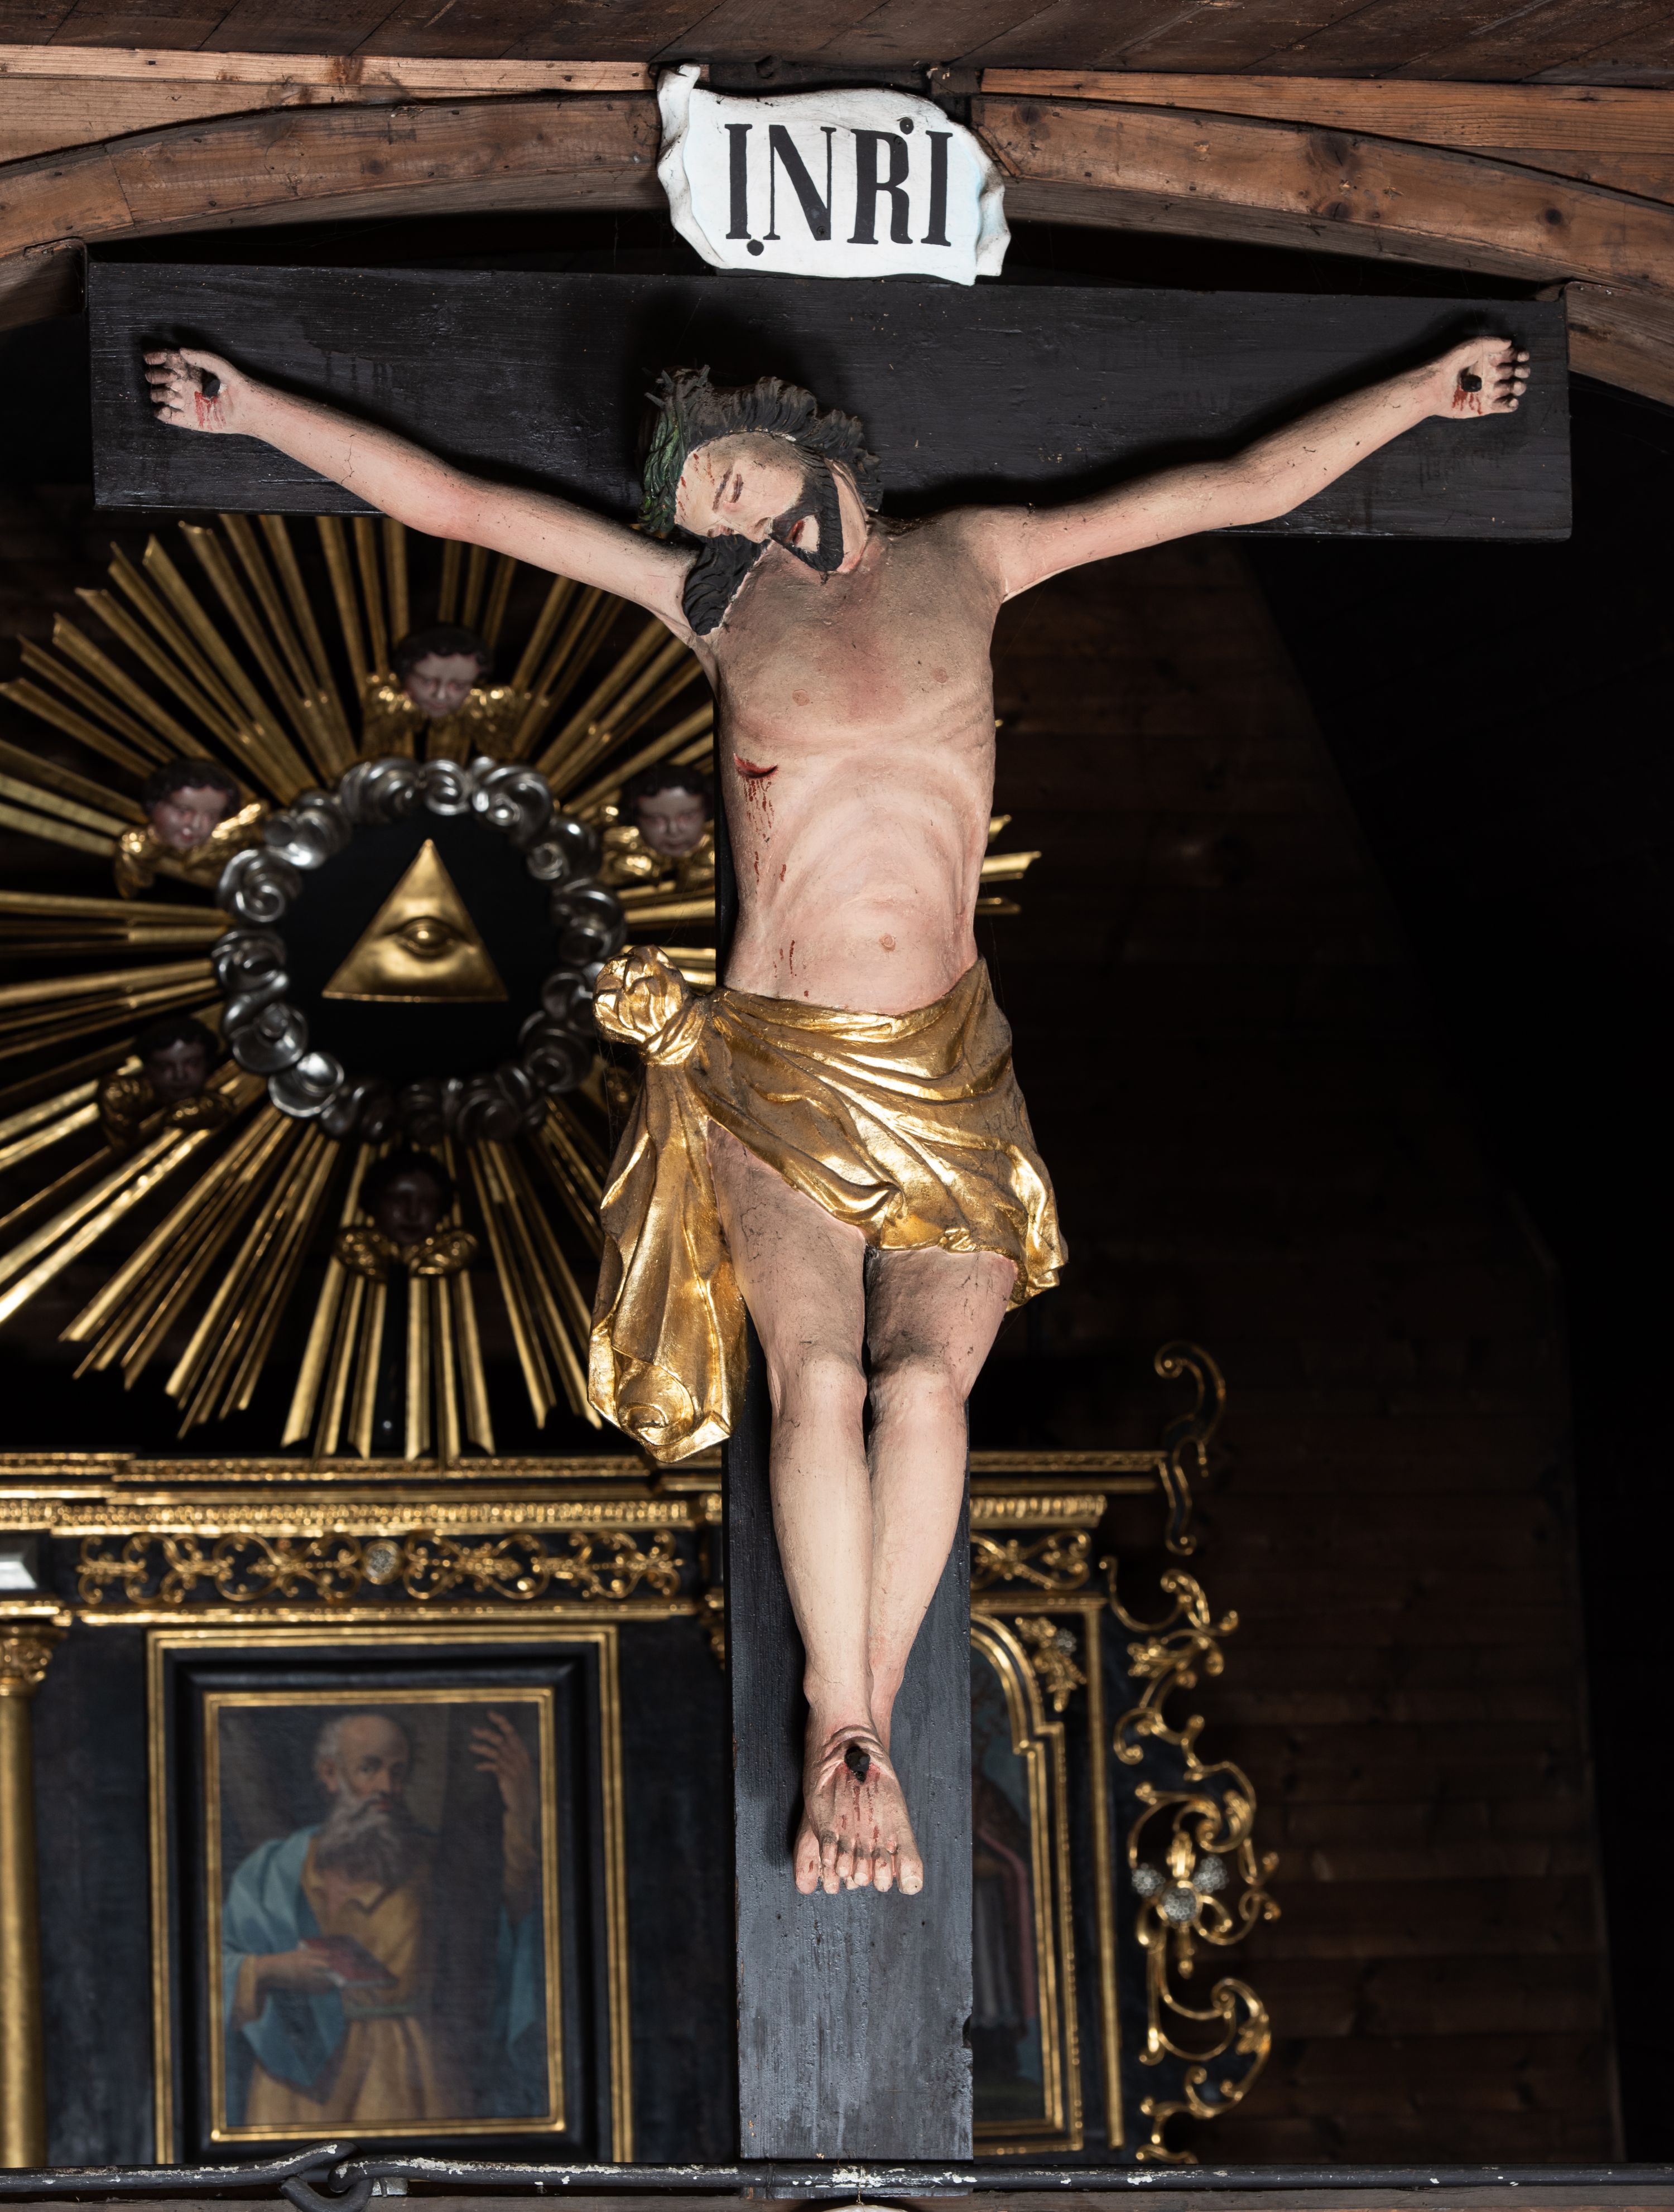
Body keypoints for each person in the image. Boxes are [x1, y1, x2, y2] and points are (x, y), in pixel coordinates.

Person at [146, 329, 1529, 1901]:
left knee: (924, 1389)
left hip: (947, 1067)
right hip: (778, 1064)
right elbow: (459, 504)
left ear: (799, 436)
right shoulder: (714, 607)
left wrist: (1421, 393)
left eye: (724, 478)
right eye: (698, 509)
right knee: (815, 1377)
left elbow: (1232, 487)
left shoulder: (975, 557)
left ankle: (862, 1705)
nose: (720, 515)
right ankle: (847, 1718)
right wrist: (249, 411)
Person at [220, 1709, 544, 2128]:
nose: (387, 1788)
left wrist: (522, 1814)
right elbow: (211, 1973)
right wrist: (272, 1968)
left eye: (398, 1772)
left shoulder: (433, 1864)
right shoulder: (271, 1871)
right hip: (295, 2087)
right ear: (331, 1774)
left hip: (404, 2080)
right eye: (369, 1769)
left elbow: (508, 1914)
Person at [364, 624, 516, 760]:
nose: (440, 696)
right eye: (427, 681)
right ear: (404, 676)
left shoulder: (485, 712)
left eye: (459, 686)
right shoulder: (388, 707)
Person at [114, 758, 264, 896]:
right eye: (183, 811)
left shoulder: (222, 840)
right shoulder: (134, 850)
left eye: (211, 816)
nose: (196, 825)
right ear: (155, 804)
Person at [97, 1014, 232, 1151]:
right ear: (147, 1068)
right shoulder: (126, 1097)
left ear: (208, 1063)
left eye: (193, 1063)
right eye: (164, 1066)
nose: (180, 1076)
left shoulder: (221, 1106)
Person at [602, 762, 715, 890]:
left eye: (688, 816)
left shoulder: (717, 859)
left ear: (707, 813)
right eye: (655, 820)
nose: (673, 830)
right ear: (635, 820)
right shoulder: (619, 866)